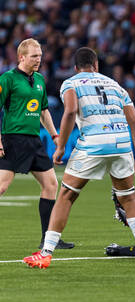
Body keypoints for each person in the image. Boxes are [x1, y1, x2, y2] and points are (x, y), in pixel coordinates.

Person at [23, 47, 135, 269]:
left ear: (76, 68)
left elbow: (71, 111)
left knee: (65, 195)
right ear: (97, 66)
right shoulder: (115, 85)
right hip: (122, 145)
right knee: (129, 199)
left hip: (93, 143)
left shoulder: (71, 83)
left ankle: (46, 253)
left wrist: (61, 147)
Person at [0, 38, 73, 249]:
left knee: (51, 185)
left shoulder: (40, 79)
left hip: (33, 141)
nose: (38, 59)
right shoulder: (8, 79)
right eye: (34, 56)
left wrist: (54, 135)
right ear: (21, 57)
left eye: (40, 55)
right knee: (2, 187)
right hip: (13, 139)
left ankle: (48, 239)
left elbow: (43, 111)